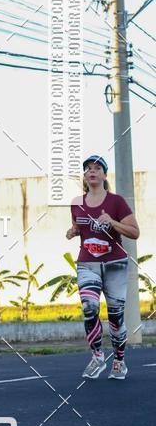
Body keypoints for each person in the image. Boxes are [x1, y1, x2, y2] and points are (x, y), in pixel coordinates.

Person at [67, 154, 140, 380]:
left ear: (104, 175)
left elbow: (135, 232)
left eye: (97, 168)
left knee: (116, 317)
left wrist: (113, 222)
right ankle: (97, 356)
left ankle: (119, 360)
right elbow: (79, 227)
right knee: (89, 308)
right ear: (85, 175)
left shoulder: (116, 201)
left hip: (114, 263)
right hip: (87, 262)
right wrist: (73, 232)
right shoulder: (76, 203)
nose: (92, 171)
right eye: (88, 168)